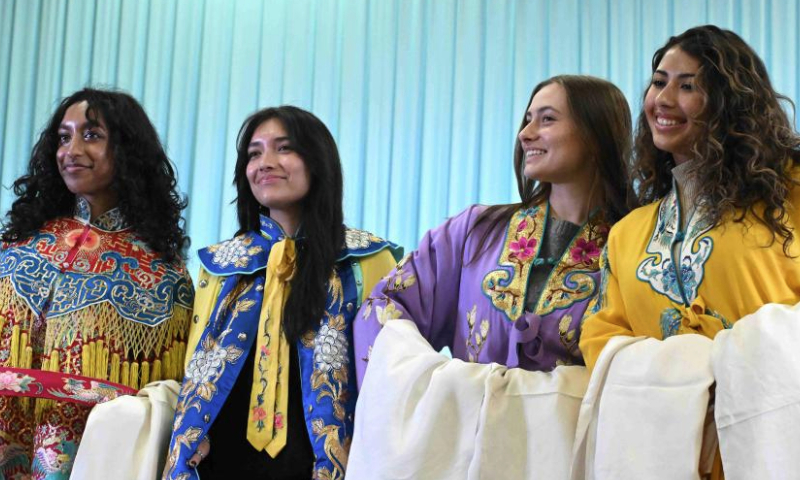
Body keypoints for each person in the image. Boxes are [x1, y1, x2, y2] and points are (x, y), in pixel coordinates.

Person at [580, 25, 800, 478]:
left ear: (729, 102)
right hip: (668, 454)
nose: (663, 99)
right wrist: (683, 373)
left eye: (688, 86)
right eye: (659, 81)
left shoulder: (789, 192)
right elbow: (602, 341)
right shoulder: (627, 234)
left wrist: (747, 359)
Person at [163, 106, 401, 480]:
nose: (265, 163)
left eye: (283, 148)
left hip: (328, 462)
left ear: (317, 161)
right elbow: (197, 366)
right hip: (224, 462)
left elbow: (391, 376)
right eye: (254, 153)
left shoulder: (367, 260)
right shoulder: (222, 265)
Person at [354, 75, 634, 382]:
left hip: (578, 429)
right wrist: (435, 387)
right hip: (474, 427)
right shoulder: (473, 233)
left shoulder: (633, 246)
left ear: (597, 134)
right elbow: (385, 306)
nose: (526, 134)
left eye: (547, 119)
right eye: (528, 120)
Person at [0, 88, 193, 479]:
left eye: (91, 135)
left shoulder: (164, 274)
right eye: (63, 137)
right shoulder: (15, 248)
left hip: (88, 457)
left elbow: (161, 397)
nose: (70, 150)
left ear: (127, 150)